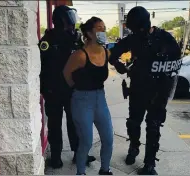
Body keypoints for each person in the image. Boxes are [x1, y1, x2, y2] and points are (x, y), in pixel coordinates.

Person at [109, 6, 182, 175]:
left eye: (135, 29)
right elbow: (113, 53)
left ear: (142, 25)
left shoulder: (166, 39)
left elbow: (174, 68)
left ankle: (150, 164)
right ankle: (133, 148)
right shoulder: (134, 39)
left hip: (159, 92)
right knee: (134, 123)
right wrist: (119, 65)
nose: (134, 32)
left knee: (153, 126)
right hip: (138, 90)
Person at [38, 5, 95, 169]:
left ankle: (79, 154)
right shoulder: (47, 42)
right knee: (55, 125)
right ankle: (56, 157)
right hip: (53, 91)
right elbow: (39, 67)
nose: (72, 23)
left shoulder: (76, 39)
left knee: (76, 123)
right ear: (61, 20)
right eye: (69, 18)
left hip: (72, 91)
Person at [63, 17, 113, 175]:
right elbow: (66, 74)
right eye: (99, 28)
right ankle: (81, 172)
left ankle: (105, 170)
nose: (103, 31)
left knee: (108, 138)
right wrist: (79, 89)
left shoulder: (107, 52)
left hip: (100, 99)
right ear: (90, 33)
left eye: (104, 28)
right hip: (82, 100)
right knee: (86, 141)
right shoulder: (80, 55)